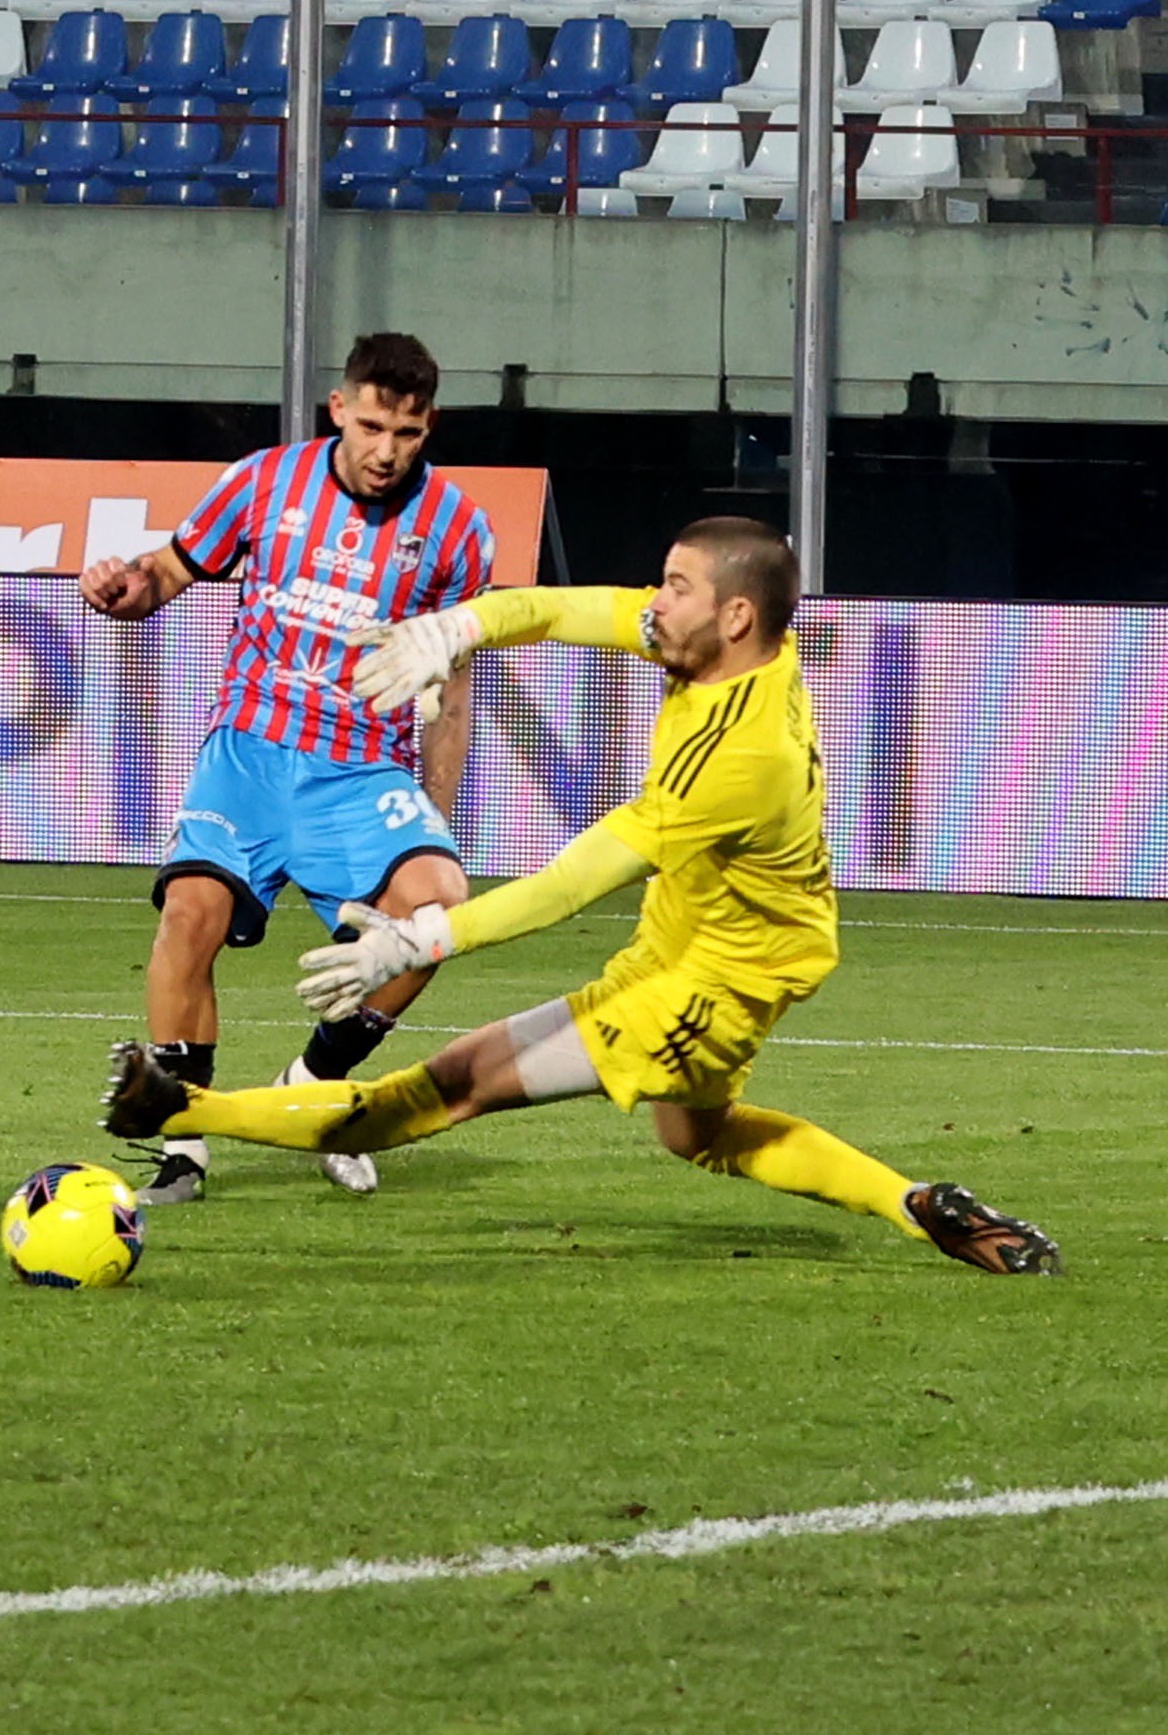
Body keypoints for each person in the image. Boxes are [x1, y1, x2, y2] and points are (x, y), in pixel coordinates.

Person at [103, 519, 1065, 1277]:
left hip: (707, 986)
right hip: (705, 946)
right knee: (700, 1136)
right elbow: (568, 610)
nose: (655, 603)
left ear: (734, 615)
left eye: (676, 587)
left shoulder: (740, 760)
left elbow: (568, 885)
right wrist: (459, 627)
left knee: (442, 1090)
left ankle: (178, 1111)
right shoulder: (735, 649)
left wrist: (420, 941)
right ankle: (916, 1204)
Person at [74, 333, 498, 1206]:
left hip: (363, 769)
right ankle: (183, 1147)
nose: (386, 452)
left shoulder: (458, 529)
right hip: (250, 752)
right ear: (338, 408)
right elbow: (166, 573)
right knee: (189, 914)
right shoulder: (263, 481)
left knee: (439, 913)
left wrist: (437, 808)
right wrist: (121, 591)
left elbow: (452, 687)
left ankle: (304, 1090)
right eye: (372, 427)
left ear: (430, 426)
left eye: (407, 434)